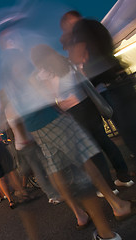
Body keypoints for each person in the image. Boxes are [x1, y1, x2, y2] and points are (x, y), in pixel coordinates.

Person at [30, 44, 133, 193]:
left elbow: (50, 97)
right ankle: (124, 177)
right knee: (104, 140)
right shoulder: (66, 61)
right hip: (88, 103)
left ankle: (109, 187)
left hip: (73, 112)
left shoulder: (43, 73)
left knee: (93, 150)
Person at [61, 10, 136, 179]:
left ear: (69, 22)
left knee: (129, 132)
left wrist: (71, 46)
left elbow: (76, 56)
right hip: (121, 78)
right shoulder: (96, 24)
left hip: (111, 87)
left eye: (64, 27)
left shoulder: (80, 27)